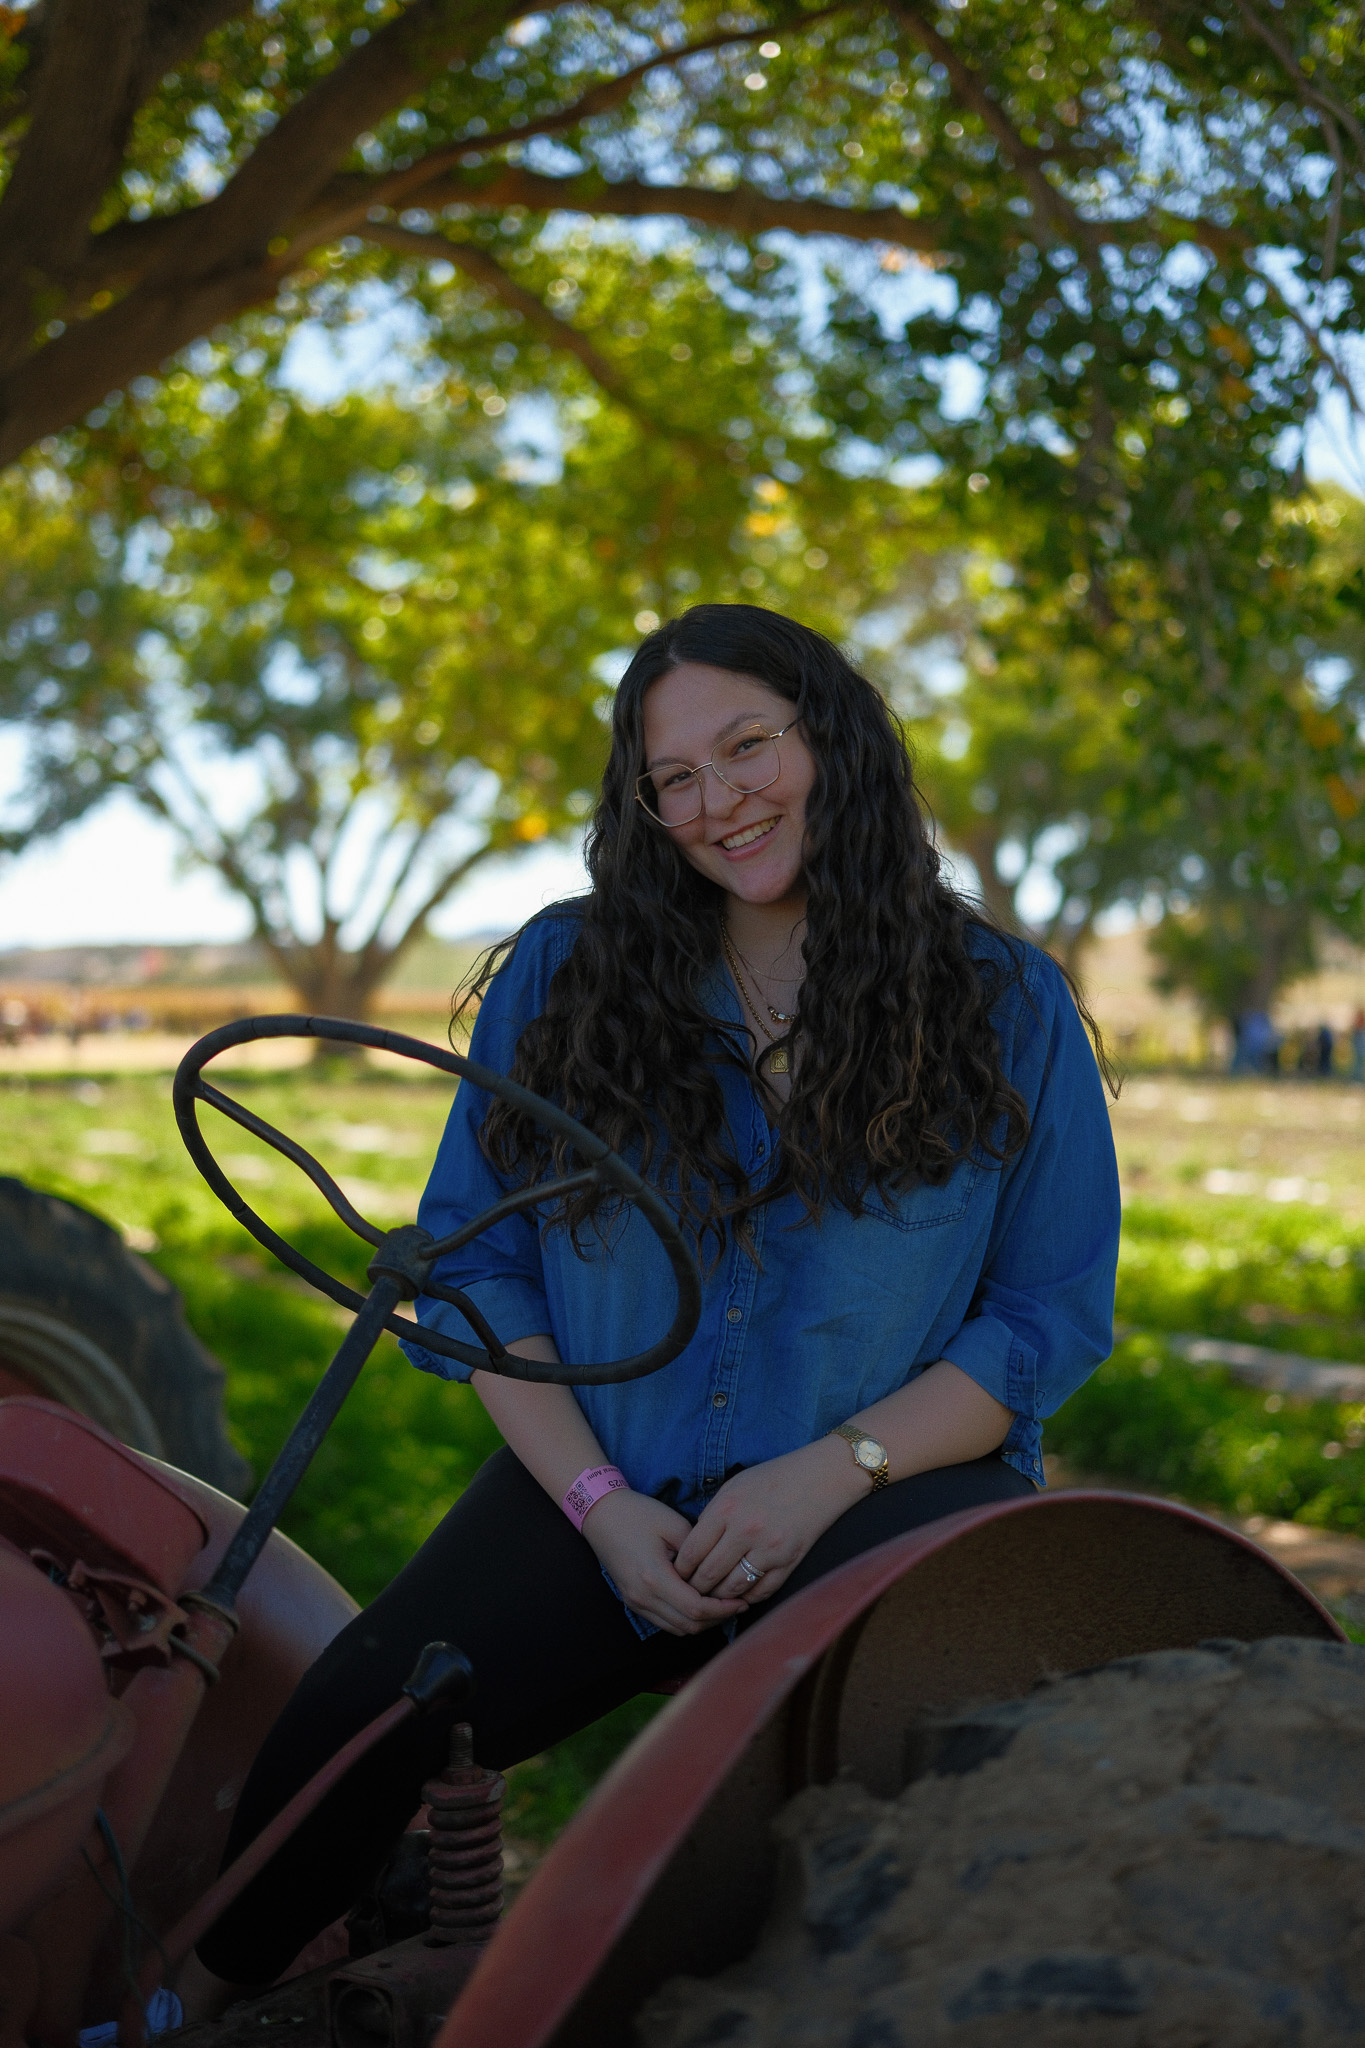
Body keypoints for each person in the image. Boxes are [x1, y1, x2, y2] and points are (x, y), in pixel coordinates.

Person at [195, 605, 1121, 1989]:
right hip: (606, 1488)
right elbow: (475, 1265)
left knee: (986, 1836)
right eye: (670, 779)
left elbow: (1047, 1315)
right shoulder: (570, 977)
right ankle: (174, 2006)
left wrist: (831, 1472)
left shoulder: (1003, 1001)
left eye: (746, 747)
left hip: (884, 1490)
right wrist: (597, 1511)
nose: (715, 803)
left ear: (831, 739)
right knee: (339, 1741)